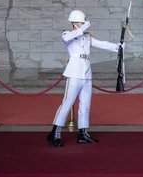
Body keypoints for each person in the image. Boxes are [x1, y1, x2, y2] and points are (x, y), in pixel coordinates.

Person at [47, 9, 123, 147]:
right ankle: (55, 132)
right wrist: (81, 29)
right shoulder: (68, 34)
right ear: (74, 22)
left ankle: (83, 133)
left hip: (86, 73)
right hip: (74, 73)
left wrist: (118, 47)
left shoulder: (87, 37)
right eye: (79, 22)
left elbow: (102, 43)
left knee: (85, 105)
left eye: (83, 21)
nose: (82, 23)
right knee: (67, 103)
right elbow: (67, 38)